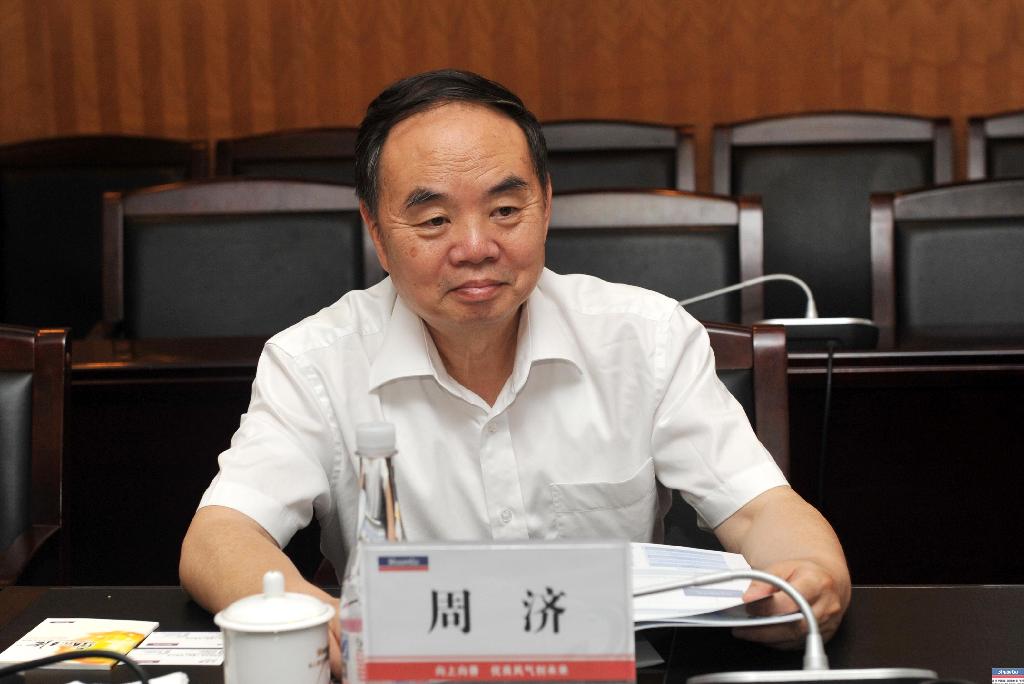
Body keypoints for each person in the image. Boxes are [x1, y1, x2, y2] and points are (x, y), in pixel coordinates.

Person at [180, 69, 850, 677]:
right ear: (377, 232)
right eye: (434, 219)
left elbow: (761, 510)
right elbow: (221, 536)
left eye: (505, 211)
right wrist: (314, 617)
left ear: (546, 205)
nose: (476, 247)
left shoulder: (646, 338)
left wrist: (812, 578)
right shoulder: (314, 362)